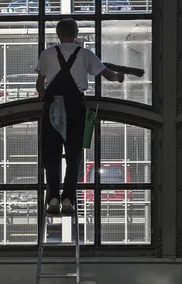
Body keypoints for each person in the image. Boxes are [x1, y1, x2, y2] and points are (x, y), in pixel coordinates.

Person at [35, 18, 125, 215]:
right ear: (76, 34)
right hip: (76, 107)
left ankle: (52, 198)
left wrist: (48, 99)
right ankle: (68, 198)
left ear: (57, 34)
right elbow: (109, 76)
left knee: (51, 155)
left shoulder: (47, 54)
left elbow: (40, 86)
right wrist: (119, 76)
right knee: (73, 155)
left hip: (53, 107)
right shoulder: (85, 54)